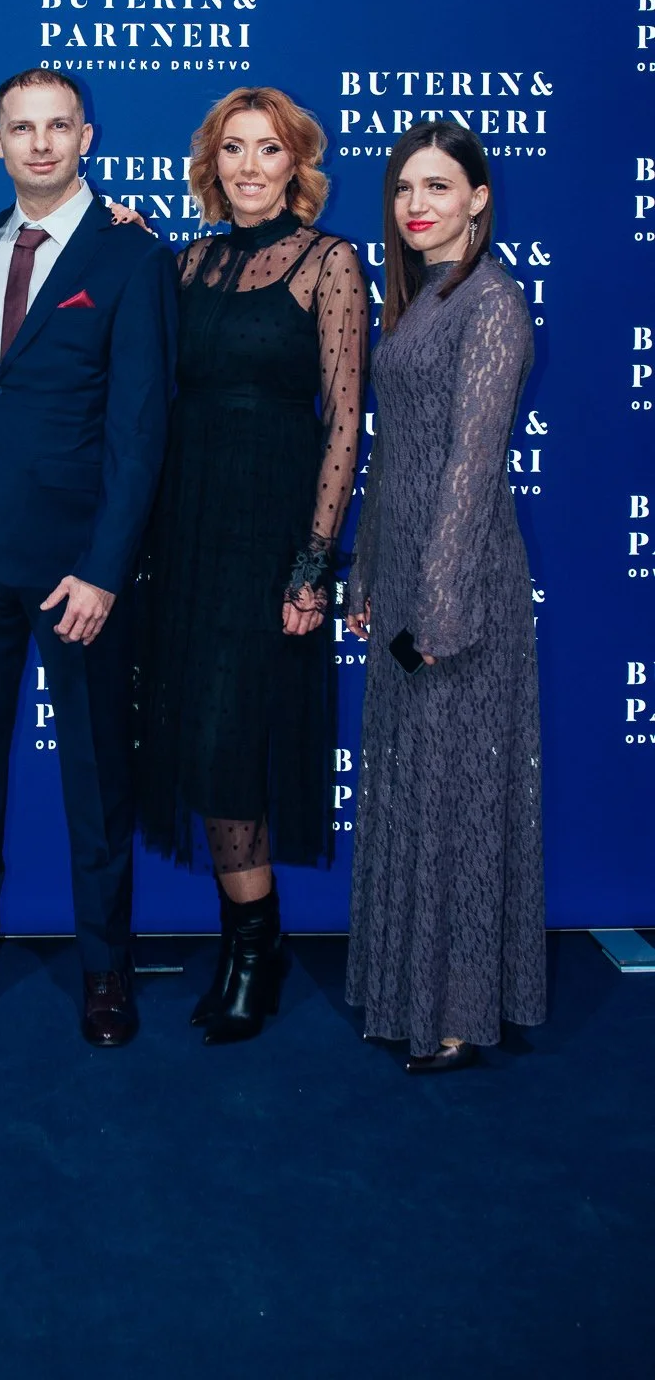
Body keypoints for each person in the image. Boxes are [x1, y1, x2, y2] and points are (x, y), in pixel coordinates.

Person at [0, 69, 178, 1049]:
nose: (38, 143)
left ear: (87, 137)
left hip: (77, 568)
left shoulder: (130, 257)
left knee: (96, 778)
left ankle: (106, 971)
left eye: (56, 126)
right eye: (20, 128)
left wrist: (106, 566)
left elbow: (139, 428)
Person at [136, 86, 368, 1045]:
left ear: (295, 163)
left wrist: (312, 564)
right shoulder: (179, 265)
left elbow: (344, 424)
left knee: (233, 738)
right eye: (230, 150)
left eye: (266, 150)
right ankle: (254, 940)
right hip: (183, 528)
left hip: (268, 534)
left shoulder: (330, 263)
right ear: (209, 165)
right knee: (194, 732)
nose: (246, 166)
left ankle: (249, 949)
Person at [345, 121, 544, 1074]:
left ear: (477, 199)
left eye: (436, 186)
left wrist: (440, 606)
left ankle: (459, 1014)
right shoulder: (420, 299)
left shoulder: (492, 302)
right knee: (416, 788)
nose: (415, 204)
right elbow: (394, 460)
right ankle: (403, 989)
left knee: (460, 794)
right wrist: (365, 573)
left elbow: (470, 463)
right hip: (410, 578)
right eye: (401, 189)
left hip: (461, 588)